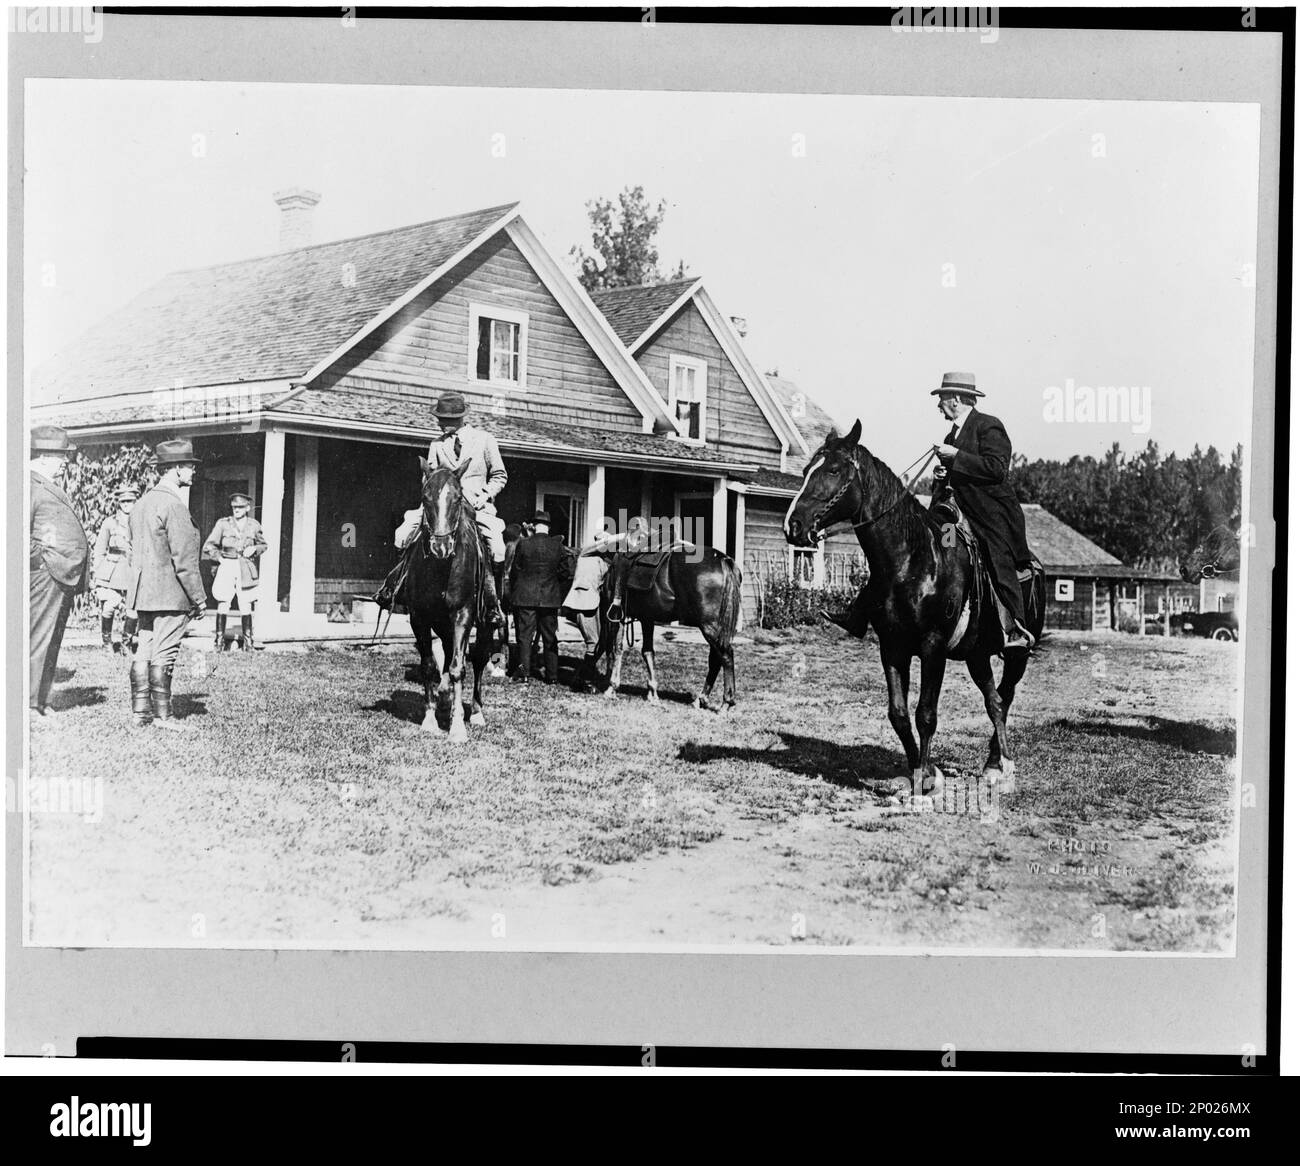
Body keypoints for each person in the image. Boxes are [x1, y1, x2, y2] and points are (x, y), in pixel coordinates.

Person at [825, 372, 1035, 653]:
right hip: (954, 515)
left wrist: (956, 457)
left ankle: (1015, 628)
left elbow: (997, 469)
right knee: (937, 553)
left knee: (997, 558)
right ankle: (859, 614)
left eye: (942, 399)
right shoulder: (953, 433)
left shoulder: (989, 426)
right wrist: (943, 474)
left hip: (988, 515)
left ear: (958, 399)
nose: (939, 405)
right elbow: (959, 474)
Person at [376, 392, 507, 627]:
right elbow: (430, 478)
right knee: (401, 534)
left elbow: (500, 475)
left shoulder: (485, 440)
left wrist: (485, 495)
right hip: (441, 508)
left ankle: (492, 603)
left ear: (457, 419)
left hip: (476, 506)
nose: (438, 422)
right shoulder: (436, 444)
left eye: (443, 418)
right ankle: (396, 588)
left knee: (497, 548)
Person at [126, 439, 207, 730]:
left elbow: (134, 551)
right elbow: (184, 560)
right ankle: (164, 717)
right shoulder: (174, 505)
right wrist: (199, 598)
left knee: (143, 651)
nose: (193, 471)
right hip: (171, 595)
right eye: (188, 465)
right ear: (174, 469)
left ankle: (140, 713)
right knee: (165, 653)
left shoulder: (141, 504)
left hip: (143, 593)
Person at [29, 425, 89, 718]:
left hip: (60, 576)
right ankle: (27, 704)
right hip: (45, 575)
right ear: (42, 456)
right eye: (59, 455)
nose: (65, 461)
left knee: (51, 640)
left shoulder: (45, 484)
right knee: (38, 638)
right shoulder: (27, 485)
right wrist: (43, 560)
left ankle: (41, 700)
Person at [508, 510, 574, 685]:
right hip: (549, 597)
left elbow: (515, 570)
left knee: (525, 636)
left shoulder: (523, 544)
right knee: (550, 637)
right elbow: (565, 573)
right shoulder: (558, 546)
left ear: (534, 526)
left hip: (525, 596)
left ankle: (524, 673)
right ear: (548, 527)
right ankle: (552, 676)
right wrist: (552, 583)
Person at [202, 492, 268, 651]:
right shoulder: (223, 524)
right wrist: (219, 558)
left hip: (245, 566)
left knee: (246, 602)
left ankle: (248, 643)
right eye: (234, 507)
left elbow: (263, 545)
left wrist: (254, 548)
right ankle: (219, 642)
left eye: (240, 507)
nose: (236, 510)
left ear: (247, 508)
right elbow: (208, 546)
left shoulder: (254, 525)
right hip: (227, 564)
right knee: (223, 601)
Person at [562, 526, 615, 692]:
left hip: (593, 604)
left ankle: (581, 678)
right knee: (593, 643)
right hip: (582, 604)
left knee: (599, 644)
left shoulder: (604, 561)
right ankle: (585, 682)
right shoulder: (585, 555)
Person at [91, 484, 139, 654]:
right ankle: (107, 643)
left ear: (136, 501)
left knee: (133, 610)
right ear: (119, 503)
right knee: (109, 606)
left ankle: (126, 643)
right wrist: (99, 571)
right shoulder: (110, 522)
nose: (126, 504)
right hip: (112, 571)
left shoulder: (141, 521)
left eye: (130, 501)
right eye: (123, 501)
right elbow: (99, 550)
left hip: (133, 570)